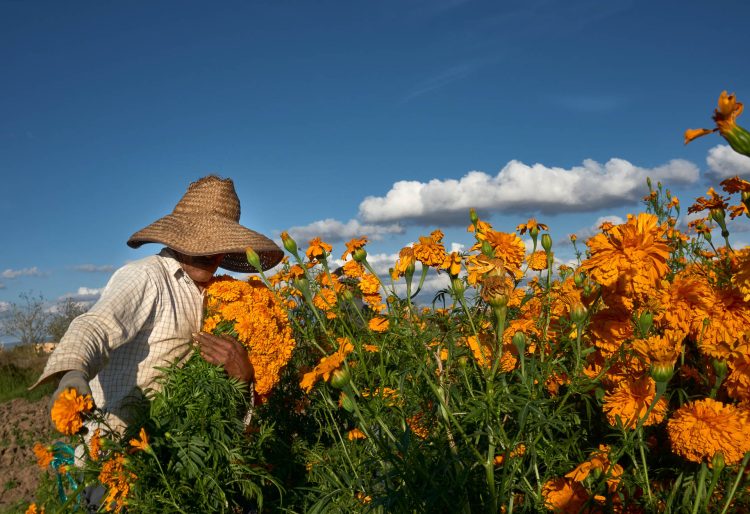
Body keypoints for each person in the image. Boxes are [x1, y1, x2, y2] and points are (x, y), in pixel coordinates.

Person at [33, 175, 283, 433]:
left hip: (182, 451)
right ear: (179, 238)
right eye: (203, 240)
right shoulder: (147, 277)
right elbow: (96, 325)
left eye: (220, 242)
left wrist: (243, 374)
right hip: (122, 453)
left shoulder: (218, 294)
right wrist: (73, 374)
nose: (212, 251)